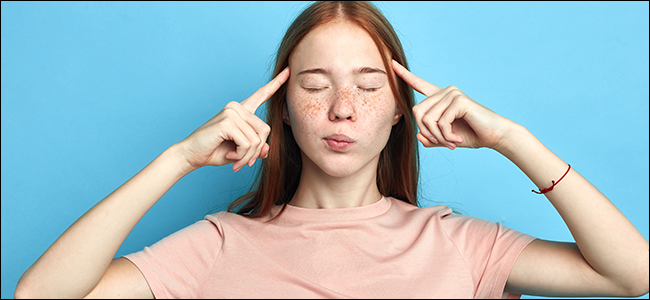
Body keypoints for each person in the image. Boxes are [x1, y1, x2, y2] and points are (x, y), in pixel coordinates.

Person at [14, 1, 648, 298]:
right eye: (315, 86)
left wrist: (514, 140)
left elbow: (633, 275)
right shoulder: (217, 245)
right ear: (283, 112)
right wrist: (178, 158)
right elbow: (40, 296)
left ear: (401, 112)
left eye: (368, 86)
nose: (342, 108)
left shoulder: (459, 244)